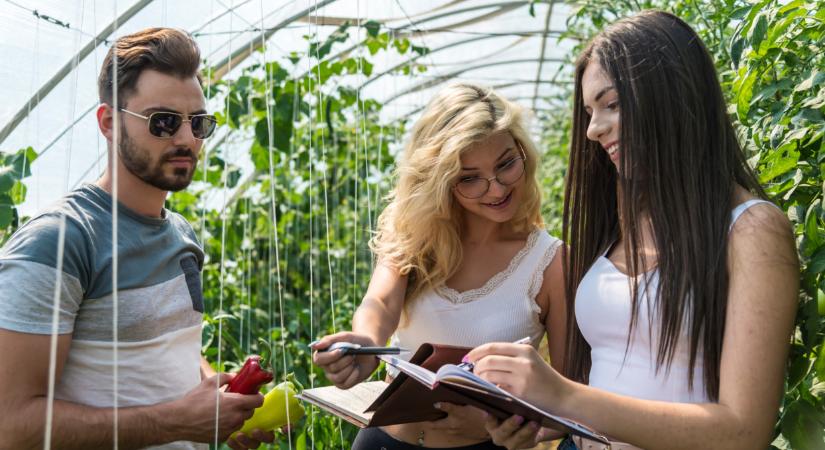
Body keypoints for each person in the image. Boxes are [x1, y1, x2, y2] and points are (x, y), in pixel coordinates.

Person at [466, 10, 799, 450]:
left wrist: (567, 396)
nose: (592, 129)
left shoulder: (750, 229)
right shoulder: (618, 222)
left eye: (612, 104)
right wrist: (548, 417)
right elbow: (612, 382)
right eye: (589, 110)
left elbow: (742, 432)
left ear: (671, 93)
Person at [0, 28, 273, 450]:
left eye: (198, 123)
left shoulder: (180, 233)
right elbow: (12, 425)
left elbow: (169, 352)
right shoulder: (60, 242)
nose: (186, 139)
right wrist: (175, 423)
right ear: (109, 123)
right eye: (163, 122)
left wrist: (217, 403)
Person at [310, 83, 567, 449]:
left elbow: (570, 391)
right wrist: (367, 344)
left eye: (507, 164)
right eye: (470, 178)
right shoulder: (414, 233)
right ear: (440, 180)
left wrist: (503, 422)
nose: (496, 189)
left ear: (524, 152)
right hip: (384, 441)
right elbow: (381, 303)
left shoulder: (550, 262)